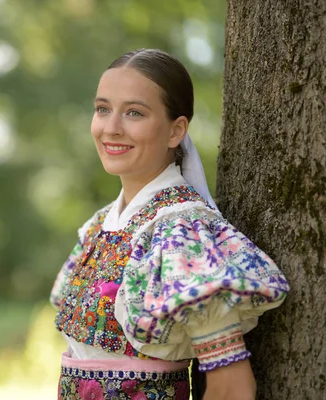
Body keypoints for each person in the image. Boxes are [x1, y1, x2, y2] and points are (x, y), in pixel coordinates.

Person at [50, 49, 290, 400]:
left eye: (134, 113)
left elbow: (232, 389)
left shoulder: (182, 233)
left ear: (176, 130)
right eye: (103, 109)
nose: (111, 128)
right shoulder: (100, 226)